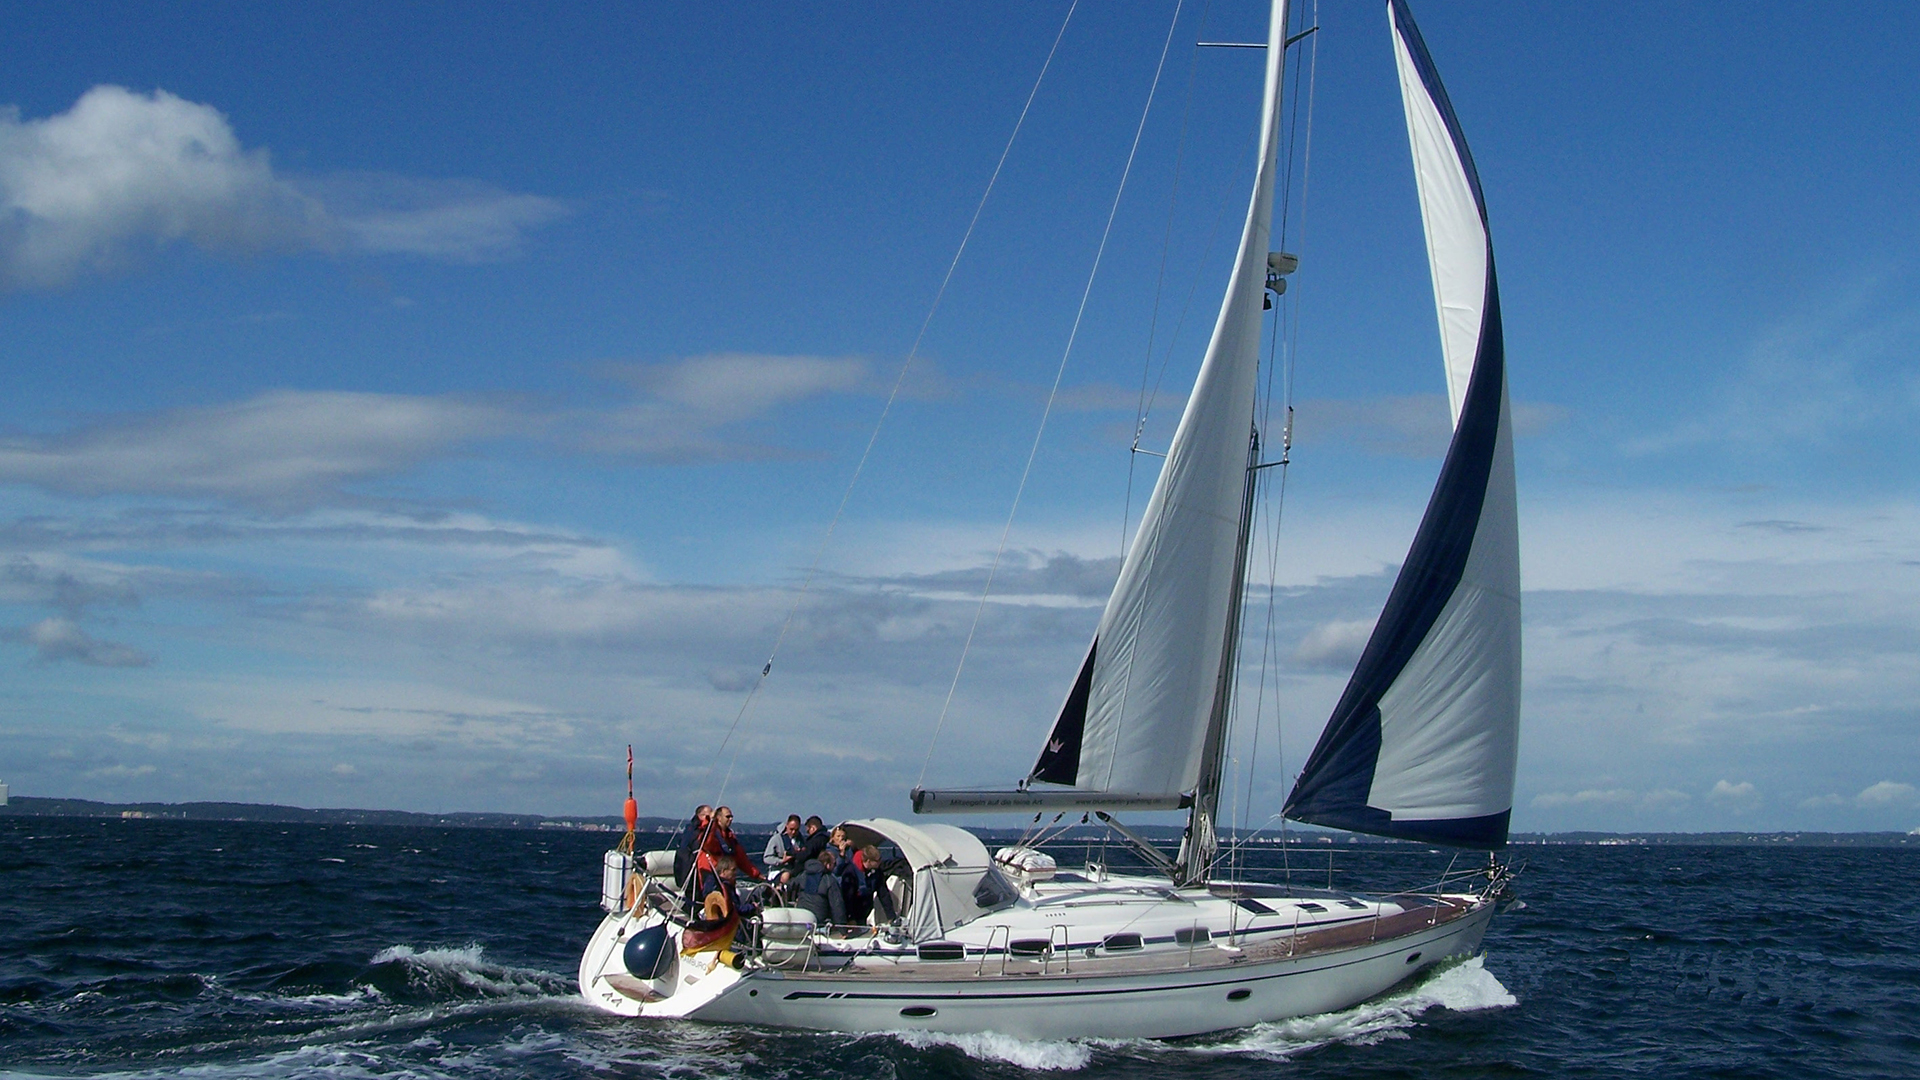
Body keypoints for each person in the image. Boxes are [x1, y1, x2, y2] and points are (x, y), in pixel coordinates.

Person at [699, 805, 763, 880]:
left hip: (727, 878)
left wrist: (757, 875)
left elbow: (742, 860)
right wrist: (711, 822)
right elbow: (707, 843)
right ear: (719, 817)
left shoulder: (730, 837)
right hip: (712, 878)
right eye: (728, 816)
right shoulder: (711, 834)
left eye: (731, 817)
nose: (731, 819)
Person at [794, 847, 847, 930]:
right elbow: (837, 905)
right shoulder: (829, 880)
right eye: (834, 864)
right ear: (827, 864)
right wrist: (842, 929)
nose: (834, 867)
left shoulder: (803, 875)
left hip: (801, 921)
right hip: (819, 924)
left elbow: (791, 886)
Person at [672, 804, 713, 890]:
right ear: (700, 816)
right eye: (709, 815)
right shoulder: (693, 829)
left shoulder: (710, 829)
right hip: (694, 873)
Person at [763, 814, 803, 887]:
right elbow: (766, 858)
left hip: (794, 870)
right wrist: (781, 861)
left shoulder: (800, 840)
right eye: (791, 829)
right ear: (786, 825)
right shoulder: (776, 839)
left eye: (796, 830)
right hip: (778, 871)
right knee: (786, 876)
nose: (793, 832)